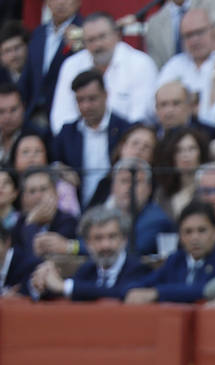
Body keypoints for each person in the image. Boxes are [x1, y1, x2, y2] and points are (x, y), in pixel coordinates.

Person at [125, 201, 215, 304]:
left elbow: (207, 289)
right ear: (180, 236)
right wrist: (132, 291)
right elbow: (140, 285)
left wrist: (157, 293)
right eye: (188, 232)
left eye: (201, 230)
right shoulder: (176, 260)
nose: (195, 238)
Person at [49, 12, 159, 129]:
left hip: (127, 140)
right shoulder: (71, 65)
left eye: (102, 37)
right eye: (91, 40)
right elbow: (61, 115)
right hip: (80, 139)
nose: (98, 45)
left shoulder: (141, 64)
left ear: (117, 35)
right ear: (84, 42)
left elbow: (141, 116)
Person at [28, 205, 149, 301]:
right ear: (87, 243)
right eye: (98, 238)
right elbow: (63, 292)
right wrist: (42, 282)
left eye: (112, 237)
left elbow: (118, 293)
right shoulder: (87, 270)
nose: (105, 245)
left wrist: (64, 286)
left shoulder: (138, 269)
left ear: (124, 239)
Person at [52, 71, 134, 207]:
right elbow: (53, 163)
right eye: (80, 100)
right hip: (76, 209)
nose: (86, 106)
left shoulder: (124, 129)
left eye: (92, 99)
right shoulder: (67, 133)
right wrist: (61, 170)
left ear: (106, 95)